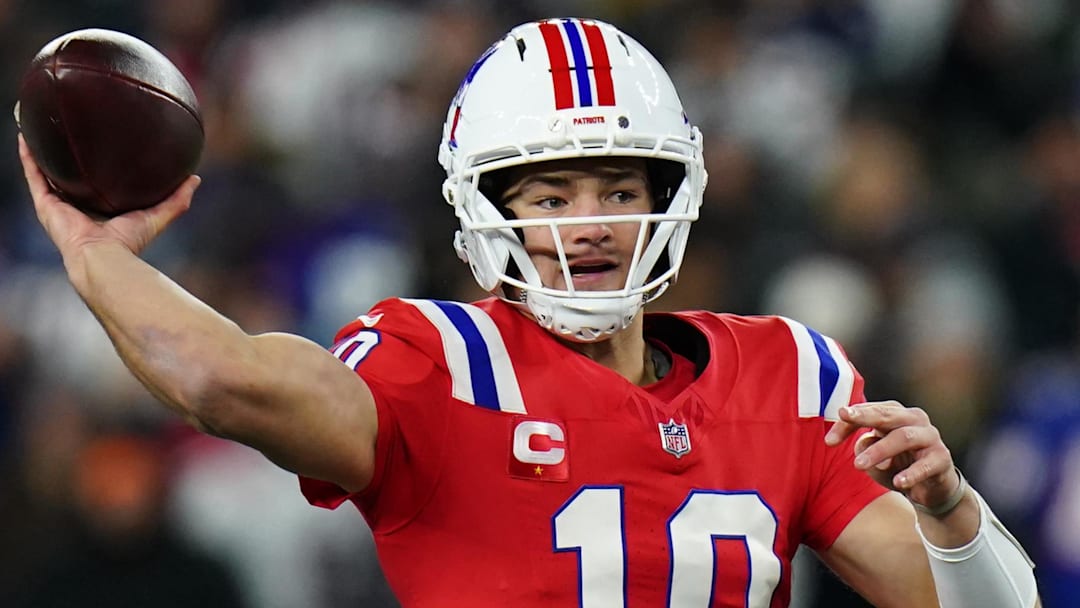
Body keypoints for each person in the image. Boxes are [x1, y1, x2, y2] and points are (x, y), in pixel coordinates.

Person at [18, 17, 1039, 608]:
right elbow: (220, 378)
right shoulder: (438, 363)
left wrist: (953, 508)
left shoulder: (788, 376)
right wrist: (96, 256)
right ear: (487, 213)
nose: (590, 226)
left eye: (618, 190)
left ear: (671, 197)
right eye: (551, 198)